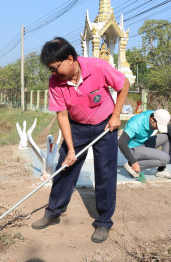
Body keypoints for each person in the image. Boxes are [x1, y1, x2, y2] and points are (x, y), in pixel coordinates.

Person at [31, 37, 130, 243]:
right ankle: (54, 211)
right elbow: (62, 115)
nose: (53, 73)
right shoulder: (55, 82)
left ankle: (103, 221)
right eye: (50, 69)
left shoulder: (98, 67)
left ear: (70, 59)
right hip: (76, 127)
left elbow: (124, 84)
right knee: (65, 167)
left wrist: (116, 115)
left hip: (105, 125)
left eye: (55, 67)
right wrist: (70, 149)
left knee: (105, 173)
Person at [118, 109, 171, 179]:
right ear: (153, 119)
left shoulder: (156, 115)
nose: (157, 128)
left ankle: (161, 170)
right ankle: (130, 165)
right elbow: (121, 142)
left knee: (168, 137)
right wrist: (133, 162)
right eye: (157, 126)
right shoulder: (136, 123)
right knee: (165, 159)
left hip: (143, 143)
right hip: (132, 149)